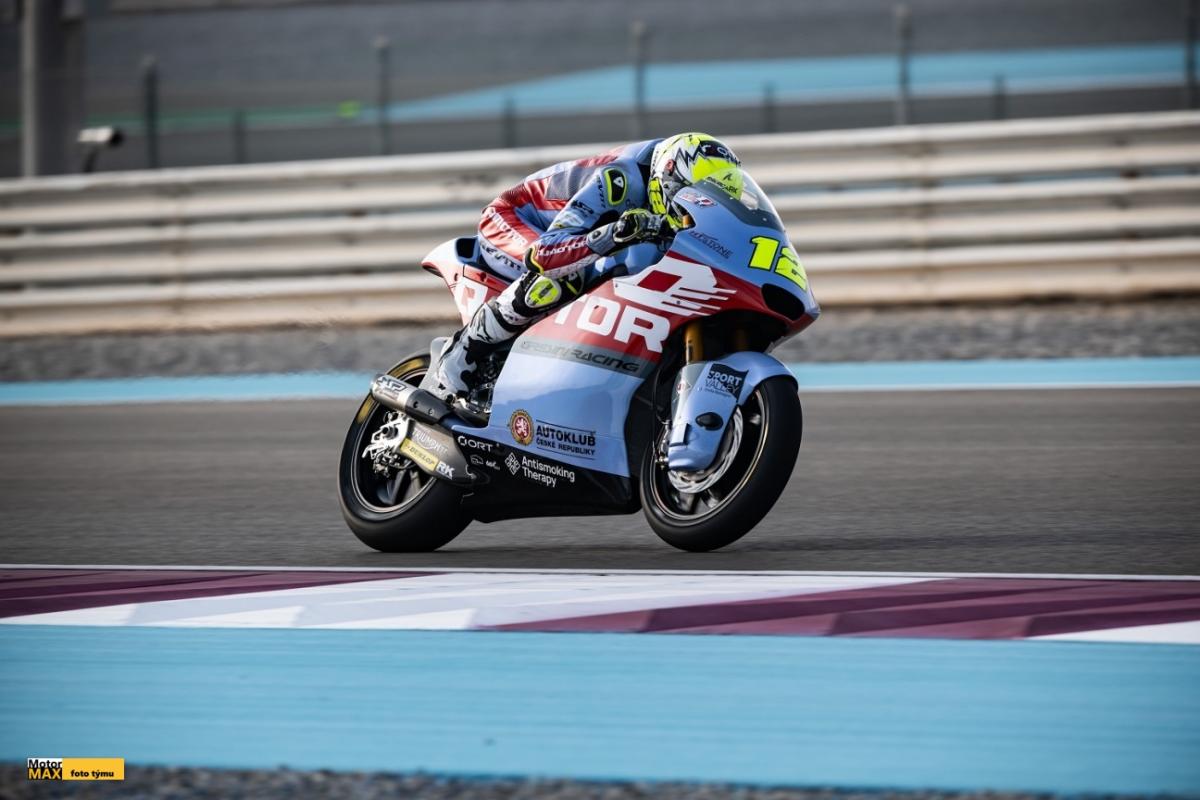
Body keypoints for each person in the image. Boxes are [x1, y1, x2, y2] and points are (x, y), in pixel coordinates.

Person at [429, 132, 746, 404]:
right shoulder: (620, 178)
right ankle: (466, 349)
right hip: (515, 220)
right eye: (690, 196)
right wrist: (615, 233)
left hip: (571, 237)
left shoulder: (664, 184)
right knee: (559, 276)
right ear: (669, 176)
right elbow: (545, 253)